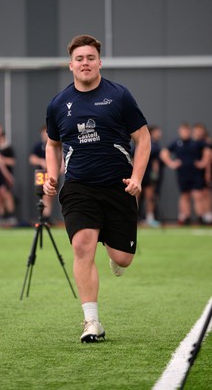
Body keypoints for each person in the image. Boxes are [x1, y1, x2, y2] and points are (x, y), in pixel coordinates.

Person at [43, 34, 151, 343]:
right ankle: (92, 323)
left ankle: (113, 250)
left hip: (119, 187)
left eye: (90, 58)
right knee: (82, 246)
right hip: (79, 187)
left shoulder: (119, 96)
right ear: (71, 65)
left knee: (122, 259)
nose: (85, 63)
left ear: (99, 62)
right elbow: (52, 145)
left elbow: (143, 140)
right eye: (79, 59)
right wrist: (52, 175)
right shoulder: (58, 104)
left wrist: (137, 178)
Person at [160, 122, 211, 225]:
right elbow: (164, 152)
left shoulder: (195, 142)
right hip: (182, 174)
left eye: (187, 130)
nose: (185, 133)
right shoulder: (177, 143)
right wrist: (171, 163)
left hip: (195, 174)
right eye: (183, 130)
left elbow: (207, 150)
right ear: (180, 131)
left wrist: (203, 162)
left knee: (197, 195)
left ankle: (201, 217)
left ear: (190, 131)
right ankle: (184, 217)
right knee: (184, 195)